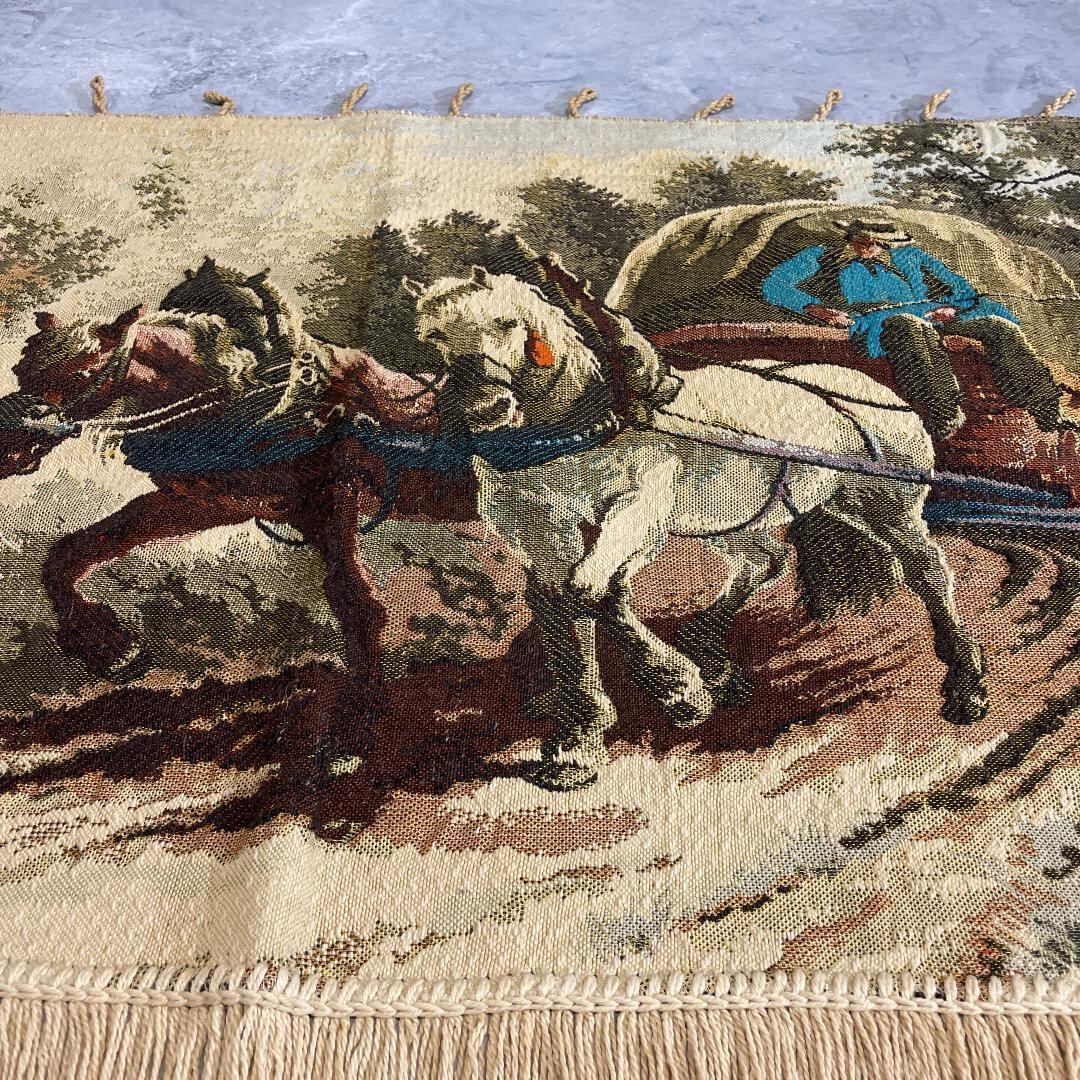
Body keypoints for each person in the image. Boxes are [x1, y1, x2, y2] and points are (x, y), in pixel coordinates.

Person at [762, 218, 1075, 439]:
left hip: (931, 313)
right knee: (910, 326)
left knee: (999, 326)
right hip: (873, 320)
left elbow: (963, 290)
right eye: (863, 242)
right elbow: (775, 285)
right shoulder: (821, 256)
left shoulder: (912, 257)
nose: (870, 249)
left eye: (879, 244)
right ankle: (943, 411)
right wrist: (815, 308)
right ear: (851, 237)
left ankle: (1045, 407)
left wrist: (951, 308)